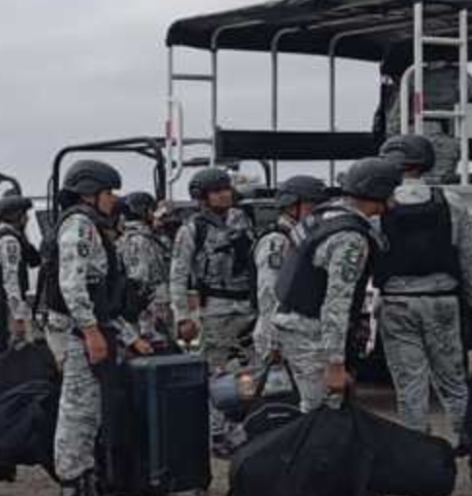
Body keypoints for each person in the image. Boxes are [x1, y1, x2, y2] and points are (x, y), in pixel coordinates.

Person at [376, 134, 472, 490]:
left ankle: (420, 462)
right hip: (443, 300)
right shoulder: (451, 201)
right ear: (424, 161)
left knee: (410, 385)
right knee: (455, 384)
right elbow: (469, 257)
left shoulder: (380, 204)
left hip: (396, 303)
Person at [43, 160, 151, 496]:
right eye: (108, 193)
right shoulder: (78, 225)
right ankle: (74, 482)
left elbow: (102, 296)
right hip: (77, 333)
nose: (113, 200)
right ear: (90, 193)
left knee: (90, 411)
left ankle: (87, 477)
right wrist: (91, 332)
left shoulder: (90, 226)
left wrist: (130, 338)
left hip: (90, 328)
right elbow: (72, 285)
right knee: (78, 412)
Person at [272, 157, 400, 412]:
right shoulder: (351, 238)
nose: (393, 200)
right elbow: (336, 304)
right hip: (313, 334)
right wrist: (335, 364)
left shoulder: (325, 215)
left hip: (292, 324)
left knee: (314, 412)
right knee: (322, 417)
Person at [169, 167, 256, 453]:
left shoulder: (242, 219)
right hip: (216, 307)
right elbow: (179, 275)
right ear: (203, 197)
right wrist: (182, 316)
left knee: (247, 371)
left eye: (226, 188)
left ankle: (240, 427)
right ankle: (216, 432)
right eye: (217, 190)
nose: (225, 194)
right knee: (217, 372)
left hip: (246, 303)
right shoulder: (192, 228)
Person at [251, 175, 327, 364]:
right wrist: (273, 340)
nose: (318, 213)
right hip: (278, 331)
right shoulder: (277, 240)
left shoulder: (301, 237)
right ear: (292, 206)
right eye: (312, 206)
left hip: (296, 329)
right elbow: (269, 291)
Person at [0, 193, 39, 351]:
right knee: (14, 351)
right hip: (8, 306)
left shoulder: (6, 235)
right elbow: (11, 278)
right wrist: (18, 316)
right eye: (24, 215)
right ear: (16, 216)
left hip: (2, 303)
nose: (27, 219)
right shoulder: (10, 241)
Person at [117, 191, 172, 347]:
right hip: (148, 319)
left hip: (151, 314)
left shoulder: (146, 237)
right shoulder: (138, 240)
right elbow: (139, 284)